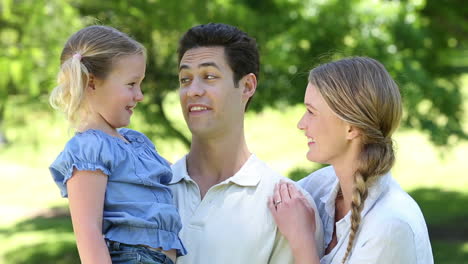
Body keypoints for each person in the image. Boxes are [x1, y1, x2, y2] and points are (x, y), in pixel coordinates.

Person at [168, 23, 324, 264]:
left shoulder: (285, 205)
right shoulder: (152, 187)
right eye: (185, 79)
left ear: (247, 86)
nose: (193, 91)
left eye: (209, 76)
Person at [269, 56, 434, 263]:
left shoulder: (391, 226)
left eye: (311, 112)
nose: (301, 124)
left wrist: (302, 240)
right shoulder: (321, 184)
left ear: (350, 128)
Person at [48, 25, 186, 264]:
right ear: (91, 83)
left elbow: (179, 180)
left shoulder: (136, 142)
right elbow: (88, 233)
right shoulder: (88, 149)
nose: (140, 95)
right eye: (131, 84)